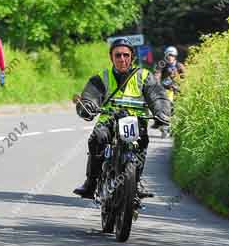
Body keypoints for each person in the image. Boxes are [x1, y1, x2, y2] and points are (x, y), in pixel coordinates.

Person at [73, 37, 171, 199]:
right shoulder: (101, 77)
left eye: (126, 55)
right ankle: (91, 182)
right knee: (98, 138)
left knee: (142, 141)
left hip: (135, 120)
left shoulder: (145, 76)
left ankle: (136, 181)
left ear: (132, 57)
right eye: (117, 55)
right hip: (108, 120)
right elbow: (90, 96)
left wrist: (162, 111)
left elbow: (157, 96)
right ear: (111, 57)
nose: (122, 59)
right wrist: (88, 106)